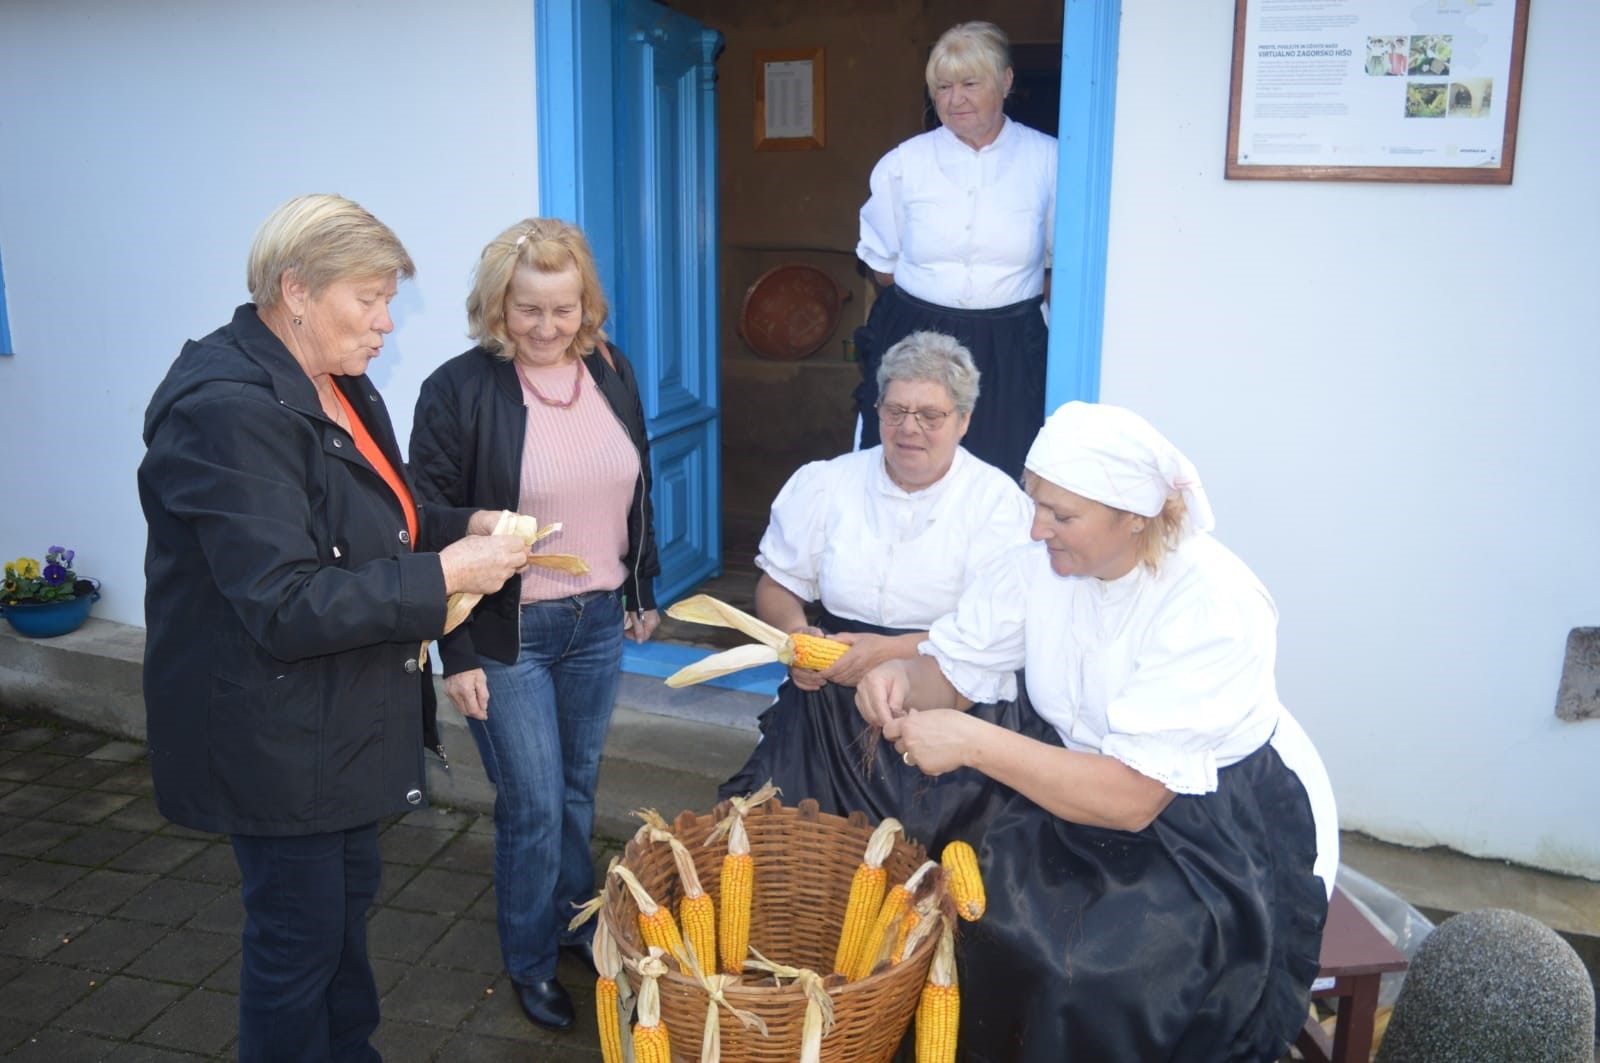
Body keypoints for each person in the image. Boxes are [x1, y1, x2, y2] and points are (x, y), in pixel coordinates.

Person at [139, 193, 532, 1062]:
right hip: (277, 734)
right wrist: (442, 578)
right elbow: (283, 600)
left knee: (342, 922)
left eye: (390, 298)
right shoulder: (228, 411)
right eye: (372, 298)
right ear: (297, 290)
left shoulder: (335, 385)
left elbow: (372, 522)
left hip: (339, 718)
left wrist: (458, 526)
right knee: (298, 945)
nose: (387, 323)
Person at [857, 401, 1339, 1061]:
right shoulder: (1038, 567)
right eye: (1035, 503)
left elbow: (1132, 799)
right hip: (1070, 795)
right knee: (969, 926)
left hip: (1207, 829)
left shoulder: (1213, 602)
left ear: (1134, 517)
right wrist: (902, 680)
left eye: (1061, 514)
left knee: (1089, 977)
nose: (1036, 528)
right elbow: (953, 671)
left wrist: (971, 743)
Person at [408, 217, 660, 1032]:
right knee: (533, 803)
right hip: (504, 629)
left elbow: (636, 485)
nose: (547, 327)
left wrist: (638, 588)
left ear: (585, 303)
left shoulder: (611, 370)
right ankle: (526, 959)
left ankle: (576, 926)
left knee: (578, 789)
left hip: (595, 623)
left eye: (563, 308)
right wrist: (457, 651)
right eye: (528, 310)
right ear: (497, 306)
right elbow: (419, 518)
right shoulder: (457, 389)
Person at [718, 330, 1033, 849]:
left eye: (930, 416)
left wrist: (887, 653)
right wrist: (796, 640)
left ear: (963, 420)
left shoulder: (998, 505)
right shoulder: (828, 483)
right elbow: (777, 584)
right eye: (895, 411)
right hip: (830, 698)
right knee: (787, 845)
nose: (909, 429)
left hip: (949, 695)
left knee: (930, 857)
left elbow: (995, 634)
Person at [853, 20, 1056, 478]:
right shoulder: (904, 163)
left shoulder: (1048, 159)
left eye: (970, 83)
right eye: (942, 87)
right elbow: (882, 263)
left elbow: (1061, 264)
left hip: (1009, 343)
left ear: (1005, 82)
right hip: (916, 334)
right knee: (906, 465)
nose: (955, 99)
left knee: (1006, 467)